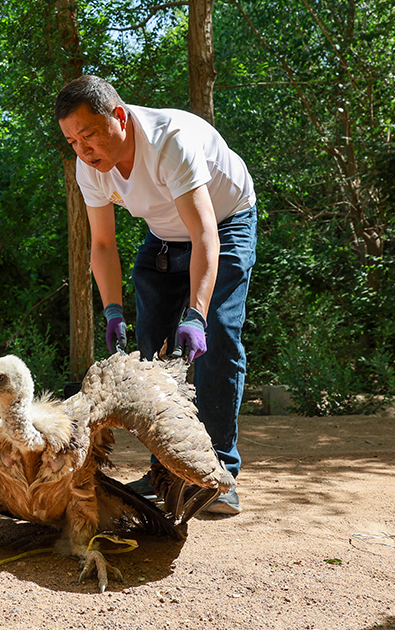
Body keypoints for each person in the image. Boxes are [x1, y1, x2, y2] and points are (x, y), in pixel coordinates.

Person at [55, 75, 256, 515]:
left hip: (224, 224)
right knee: (152, 349)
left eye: (88, 135)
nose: (83, 150)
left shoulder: (171, 141)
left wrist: (197, 315)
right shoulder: (88, 166)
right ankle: (166, 469)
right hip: (165, 237)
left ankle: (220, 472)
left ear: (120, 118)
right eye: (72, 141)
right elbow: (103, 244)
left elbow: (204, 234)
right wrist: (112, 310)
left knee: (218, 335)